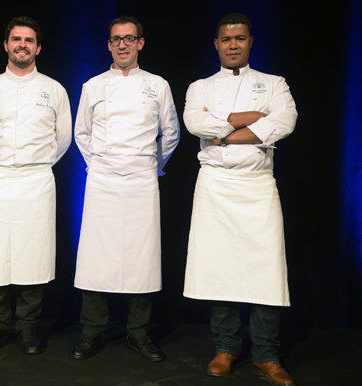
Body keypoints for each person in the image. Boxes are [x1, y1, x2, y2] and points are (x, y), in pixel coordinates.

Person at [182, 13, 297, 386]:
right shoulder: (199, 87)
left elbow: (285, 122)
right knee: (220, 268)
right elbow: (195, 124)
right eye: (226, 39)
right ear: (216, 44)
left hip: (258, 184)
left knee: (266, 271)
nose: (233, 45)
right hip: (215, 184)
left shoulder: (274, 82)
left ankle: (266, 355)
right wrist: (251, 120)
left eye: (240, 38)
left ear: (250, 42)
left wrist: (226, 132)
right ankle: (225, 348)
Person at [71, 16, 180, 362]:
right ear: (108, 45)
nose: (122, 45)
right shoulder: (92, 84)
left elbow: (172, 133)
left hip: (142, 181)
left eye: (129, 39)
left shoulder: (158, 85)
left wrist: (152, 166)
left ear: (140, 43)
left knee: (141, 258)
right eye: (116, 39)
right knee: (94, 257)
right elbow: (81, 134)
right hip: (102, 180)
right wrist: (99, 164)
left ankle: (138, 333)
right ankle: (91, 332)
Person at [0, 16, 71, 355]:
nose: (22, 45)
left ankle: (27, 327)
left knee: (34, 256)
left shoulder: (54, 89)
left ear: (38, 48)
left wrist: (35, 165)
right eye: (16, 39)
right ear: (6, 45)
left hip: (37, 180)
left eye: (28, 40)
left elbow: (64, 139)